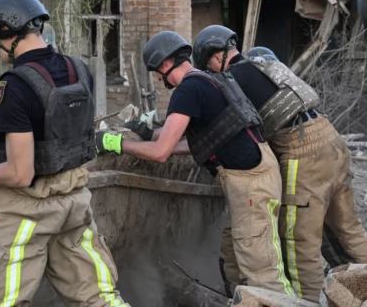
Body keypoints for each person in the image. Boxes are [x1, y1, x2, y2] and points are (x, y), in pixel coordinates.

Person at [0, 0, 129, 307]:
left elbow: (20, 173)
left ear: (6, 33)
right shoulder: (79, 70)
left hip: (27, 210)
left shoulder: (14, 86)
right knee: (99, 297)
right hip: (75, 201)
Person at [96, 30, 295, 297]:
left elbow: (160, 152)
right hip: (254, 177)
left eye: (157, 71)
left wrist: (116, 144)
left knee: (263, 271)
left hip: (251, 185)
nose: (157, 77)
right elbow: (197, 142)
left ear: (165, 64)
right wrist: (147, 133)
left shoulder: (187, 90)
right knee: (234, 257)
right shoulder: (208, 81)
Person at [193, 26, 367, 301]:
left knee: (298, 245)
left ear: (213, 55)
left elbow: (220, 125)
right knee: (349, 228)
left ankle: (307, 303)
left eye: (207, 64)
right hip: (331, 139)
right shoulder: (264, 65)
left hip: (301, 152)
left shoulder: (234, 79)